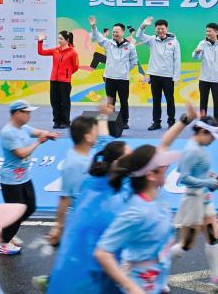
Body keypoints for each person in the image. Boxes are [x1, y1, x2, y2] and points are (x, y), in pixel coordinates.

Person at [95, 144, 181, 294]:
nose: (167, 167)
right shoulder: (136, 212)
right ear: (150, 175)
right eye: (162, 165)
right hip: (139, 285)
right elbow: (102, 253)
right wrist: (132, 287)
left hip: (155, 283)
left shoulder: (159, 201)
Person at [46, 140, 130, 294]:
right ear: (118, 163)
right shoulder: (114, 202)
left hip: (70, 271)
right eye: (130, 157)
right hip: (91, 278)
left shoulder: (91, 184)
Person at [169, 103, 218, 288]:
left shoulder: (197, 148)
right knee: (186, 245)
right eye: (212, 137)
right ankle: (157, 270)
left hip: (204, 199)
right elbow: (183, 177)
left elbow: (192, 172)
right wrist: (208, 182)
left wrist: (208, 176)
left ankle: (217, 275)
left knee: (213, 235)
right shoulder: (192, 150)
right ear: (202, 132)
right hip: (193, 201)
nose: (213, 140)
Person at [0, 100, 60, 255]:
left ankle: (7, 231)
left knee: (30, 207)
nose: (29, 115)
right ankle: (2, 243)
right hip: (11, 180)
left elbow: (36, 131)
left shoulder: (23, 128)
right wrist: (38, 142)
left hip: (24, 177)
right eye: (27, 112)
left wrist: (47, 134)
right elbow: (21, 153)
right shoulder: (8, 132)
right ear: (17, 113)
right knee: (16, 213)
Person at [46, 103, 114, 247]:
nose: (97, 133)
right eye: (94, 130)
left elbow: (104, 142)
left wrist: (103, 116)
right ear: (87, 137)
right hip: (85, 220)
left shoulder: (87, 154)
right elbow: (64, 198)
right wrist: (59, 226)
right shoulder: (74, 164)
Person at [89, 16, 138, 129]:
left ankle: (124, 121)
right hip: (110, 78)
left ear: (123, 32)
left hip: (123, 79)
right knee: (110, 102)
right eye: (113, 32)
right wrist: (93, 26)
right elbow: (98, 37)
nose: (114, 34)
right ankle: (111, 121)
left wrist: (124, 70)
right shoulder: (108, 43)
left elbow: (134, 61)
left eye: (117, 32)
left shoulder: (130, 47)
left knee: (124, 101)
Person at [135, 17, 182, 131]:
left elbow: (177, 60)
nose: (160, 31)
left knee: (170, 100)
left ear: (167, 29)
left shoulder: (174, 42)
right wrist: (143, 25)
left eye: (162, 28)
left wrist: (176, 77)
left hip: (168, 76)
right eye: (158, 29)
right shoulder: (151, 40)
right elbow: (139, 36)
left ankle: (171, 121)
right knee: (156, 100)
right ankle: (156, 122)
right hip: (154, 75)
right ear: (155, 29)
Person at [37, 31, 79, 129]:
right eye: (58, 38)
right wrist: (40, 41)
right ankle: (57, 121)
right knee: (54, 101)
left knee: (65, 102)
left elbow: (75, 67)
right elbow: (41, 52)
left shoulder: (73, 52)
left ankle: (65, 122)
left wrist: (67, 74)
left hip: (65, 81)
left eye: (61, 39)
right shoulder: (55, 50)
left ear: (67, 40)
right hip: (54, 80)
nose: (59, 40)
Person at [192, 22, 218, 125]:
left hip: (217, 79)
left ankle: (217, 121)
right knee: (203, 101)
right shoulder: (202, 43)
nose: (207, 33)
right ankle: (202, 121)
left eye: (210, 31)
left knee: (217, 102)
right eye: (206, 31)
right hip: (204, 78)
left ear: (216, 32)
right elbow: (195, 57)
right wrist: (196, 52)